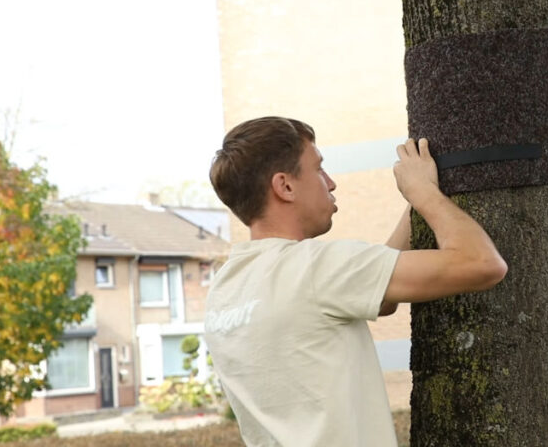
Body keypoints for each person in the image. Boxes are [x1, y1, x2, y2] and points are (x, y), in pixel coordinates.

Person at [203, 116, 507, 446]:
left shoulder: (225, 288)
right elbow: (481, 263)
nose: (330, 183)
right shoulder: (316, 268)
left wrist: (413, 205)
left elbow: (381, 295)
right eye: (318, 169)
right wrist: (424, 193)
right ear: (285, 186)